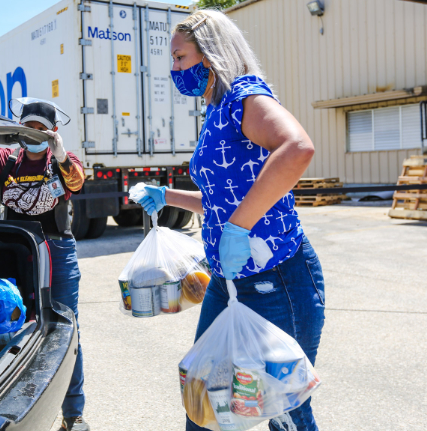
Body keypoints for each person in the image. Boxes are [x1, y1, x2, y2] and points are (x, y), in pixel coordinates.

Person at [132, 10, 324, 431]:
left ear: (211, 53)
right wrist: (167, 196)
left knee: (284, 409)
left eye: (180, 57)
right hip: (227, 282)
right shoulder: (215, 110)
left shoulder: (244, 97)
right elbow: (224, 200)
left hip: (278, 280)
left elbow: (297, 149)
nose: (175, 69)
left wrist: (238, 228)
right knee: (205, 399)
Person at [0, 98, 90, 431]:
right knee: (18, 327)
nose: (33, 134)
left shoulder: (63, 161)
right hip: (17, 251)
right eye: (27, 128)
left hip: (57, 250)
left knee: (64, 329)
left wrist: (59, 155)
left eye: (40, 129)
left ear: (53, 132)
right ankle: (20, 407)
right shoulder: (2, 160)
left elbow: (76, 183)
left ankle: (73, 415)